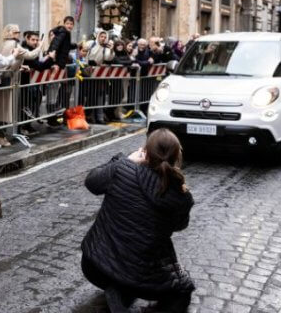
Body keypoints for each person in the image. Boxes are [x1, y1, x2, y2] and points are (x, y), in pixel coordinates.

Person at [81, 128, 195, 313]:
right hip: (139, 277)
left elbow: (92, 182)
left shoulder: (122, 169)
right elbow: (180, 225)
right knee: (184, 290)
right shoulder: (181, 196)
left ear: (145, 152)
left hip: (93, 265)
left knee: (123, 274)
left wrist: (126, 160)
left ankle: (118, 290)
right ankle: (123, 289)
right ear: (176, 158)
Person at [0, 24, 40, 147]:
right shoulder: (13, 44)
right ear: (8, 33)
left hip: (5, 77)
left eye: (18, 32)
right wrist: (40, 46)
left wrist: (20, 66)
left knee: (3, 107)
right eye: (15, 32)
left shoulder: (7, 44)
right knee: (3, 108)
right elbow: (30, 55)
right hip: (6, 78)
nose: (17, 34)